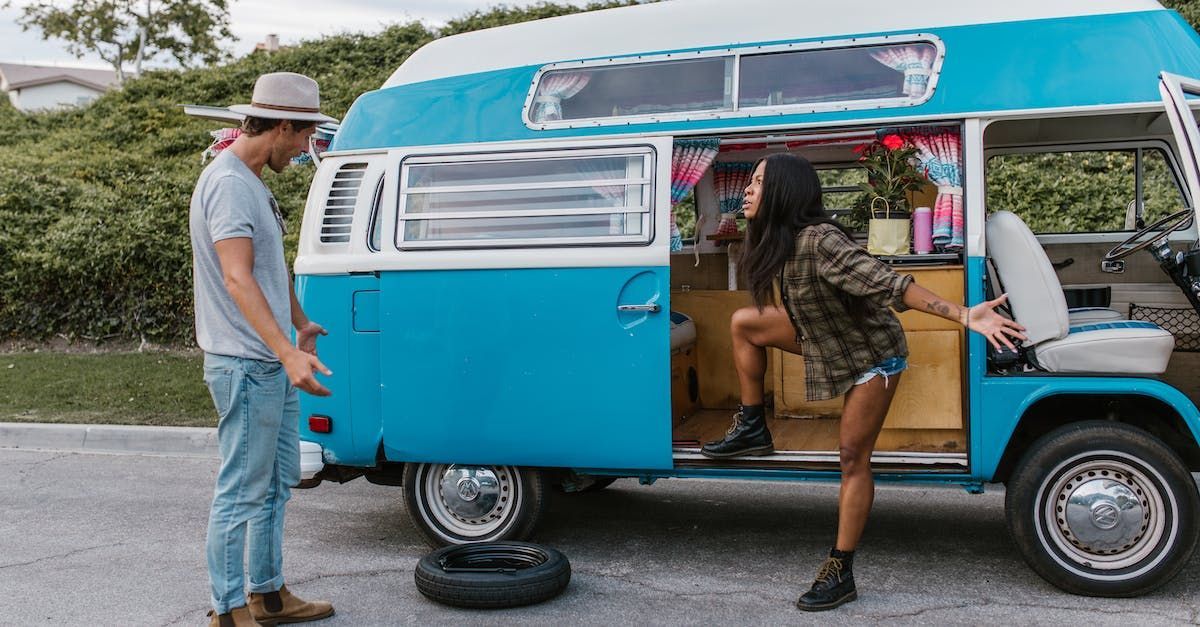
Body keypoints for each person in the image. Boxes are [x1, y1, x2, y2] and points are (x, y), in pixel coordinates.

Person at [699, 153, 1024, 611]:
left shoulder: (821, 240)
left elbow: (892, 284)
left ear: (785, 191)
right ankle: (753, 426)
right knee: (744, 323)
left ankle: (840, 569)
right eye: (749, 182)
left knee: (852, 457)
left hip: (873, 356)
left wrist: (964, 314)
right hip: (828, 336)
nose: (748, 191)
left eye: (757, 182)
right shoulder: (779, 240)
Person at [190, 72, 338, 627]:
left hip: (269, 361)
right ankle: (228, 611)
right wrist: (285, 351)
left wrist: (300, 324)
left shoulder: (252, 181)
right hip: (247, 364)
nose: (304, 150)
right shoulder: (229, 184)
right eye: (303, 137)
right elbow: (237, 278)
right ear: (281, 127)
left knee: (276, 484)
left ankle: (268, 595)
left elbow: (268, 270)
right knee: (241, 492)